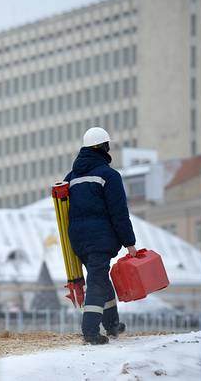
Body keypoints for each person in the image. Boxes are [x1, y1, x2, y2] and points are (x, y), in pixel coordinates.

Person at [63, 127, 137, 345]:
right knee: (96, 279)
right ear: (105, 147)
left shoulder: (72, 177)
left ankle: (112, 323)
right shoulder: (109, 176)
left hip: (77, 239)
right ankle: (90, 330)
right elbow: (118, 212)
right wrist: (129, 243)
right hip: (100, 238)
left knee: (100, 276)